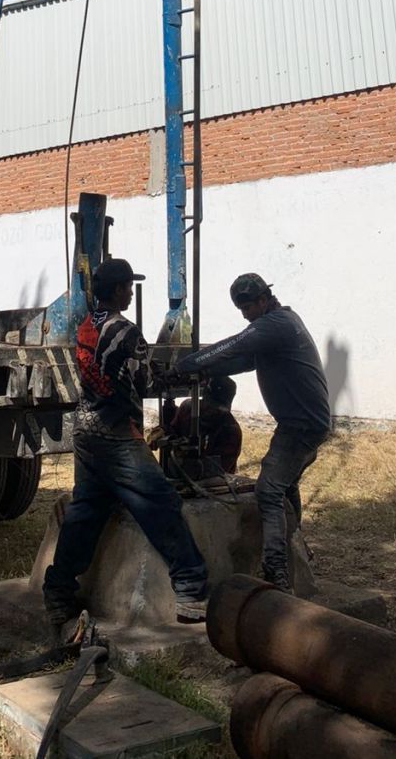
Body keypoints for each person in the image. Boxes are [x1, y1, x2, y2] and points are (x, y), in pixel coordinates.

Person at [43, 257, 209, 633]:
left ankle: (57, 592)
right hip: (116, 434)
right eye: (128, 287)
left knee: (87, 511)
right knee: (161, 502)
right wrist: (174, 376)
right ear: (119, 290)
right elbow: (142, 383)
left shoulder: (86, 326)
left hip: (85, 431)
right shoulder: (126, 331)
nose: (130, 293)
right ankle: (191, 591)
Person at [168, 273, 330, 593]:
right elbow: (243, 361)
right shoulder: (276, 327)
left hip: (301, 426)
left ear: (263, 299)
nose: (244, 313)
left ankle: (277, 574)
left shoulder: (275, 325)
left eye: (247, 306)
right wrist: (204, 368)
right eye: (240, 308)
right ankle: (293, 553)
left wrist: (184, 366)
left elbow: (235, 345)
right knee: (284, 487)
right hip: (304, 423)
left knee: (268, 490)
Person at [154, 375, 243, 479]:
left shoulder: (231, 431)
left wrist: (187, 455)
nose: (213, 411)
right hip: (177, 477)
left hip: (213, 487)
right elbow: (173, 430)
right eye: (210, 405)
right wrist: (162, 432)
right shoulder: (187, 408)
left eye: (219, 409)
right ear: (204, 397)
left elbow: (217, 470)